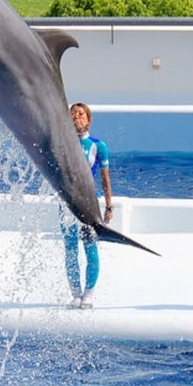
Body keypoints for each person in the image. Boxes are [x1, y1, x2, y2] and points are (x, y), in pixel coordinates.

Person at [63, 102, 114, 309]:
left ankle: (89, 293)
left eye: (80, 114)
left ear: (89, 119)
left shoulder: (97, 146)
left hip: (88, 204)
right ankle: (75, 293)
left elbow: (105, 179)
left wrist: (109, 206)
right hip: (65, 204)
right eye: (73, 115)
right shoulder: (64, 144)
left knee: (90, 248)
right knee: (70, 249)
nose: (76, 118)